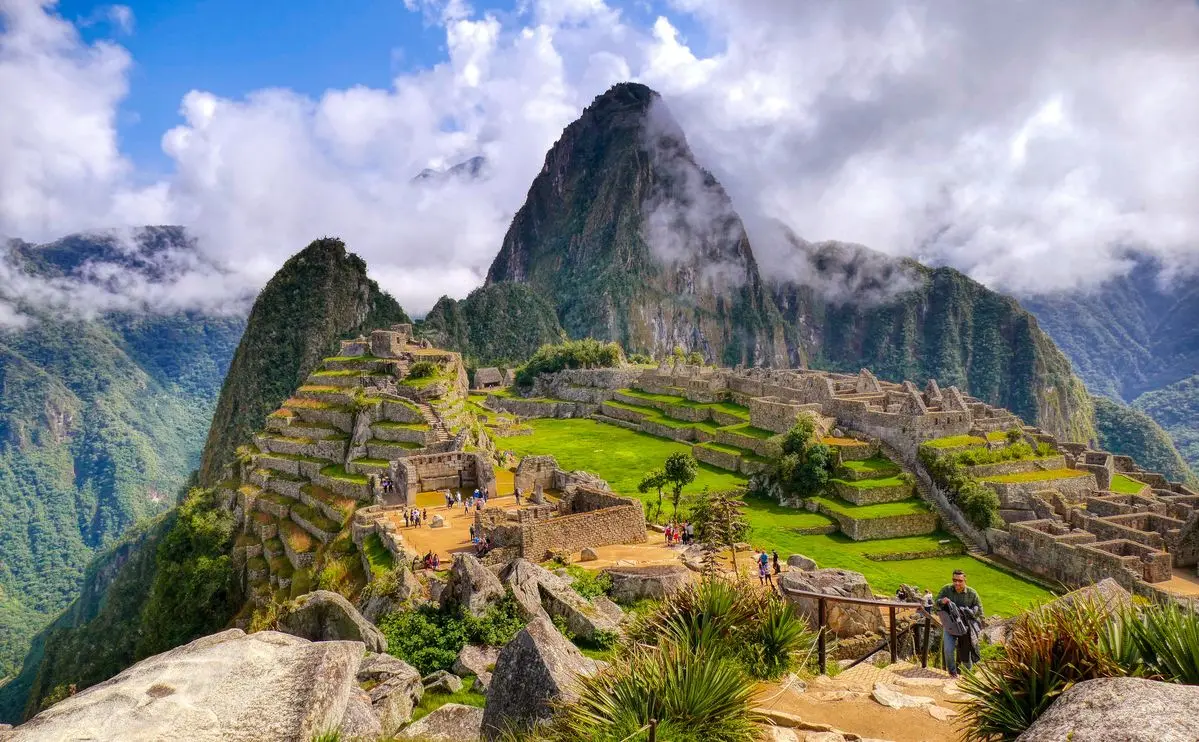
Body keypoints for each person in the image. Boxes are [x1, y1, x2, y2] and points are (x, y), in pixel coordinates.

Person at [935, 569, 983, 678]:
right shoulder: (946, 589)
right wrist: (942, 602)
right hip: (950, 626)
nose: (957, 583)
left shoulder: (972, 593)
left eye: (960, 580)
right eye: (954, 580)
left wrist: (971, 613)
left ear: (965, 580)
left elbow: (979, 610)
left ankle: (968, 676)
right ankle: (952, 674)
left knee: (966, 653)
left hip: (965, 627)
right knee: (948, 650)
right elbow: (936, 604)